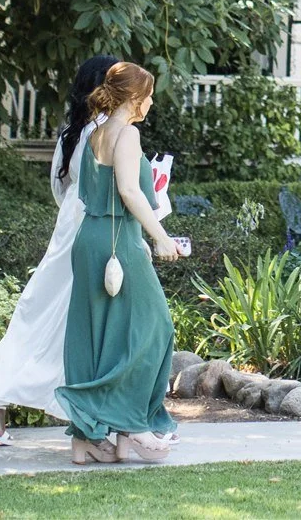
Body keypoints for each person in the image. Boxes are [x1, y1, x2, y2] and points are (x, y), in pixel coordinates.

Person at [0, 54, 119, 444]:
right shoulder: (103, 131)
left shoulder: (76, 130)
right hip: (91, 229)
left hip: (71, 223)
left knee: (47, 314)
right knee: (60, 317)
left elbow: (59, 187)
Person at [55, 61, 181, 465]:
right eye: (148, 94)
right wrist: (160, 238)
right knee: (154, 328)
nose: (151, 101)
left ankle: (89, 439)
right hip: (117, 242)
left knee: (96, 339)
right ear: (134, 97)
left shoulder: (94, 132)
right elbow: (128, 189)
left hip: (91, 240)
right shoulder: (127, 133)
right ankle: (133, 422)